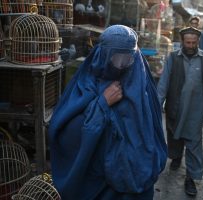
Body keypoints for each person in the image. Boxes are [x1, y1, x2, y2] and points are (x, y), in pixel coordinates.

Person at [48, 25, 167, 200]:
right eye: (115, 59)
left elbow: (152, 136)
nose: (121, 66)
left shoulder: (141, 84)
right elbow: (65, 131)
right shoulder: (85, 84)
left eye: (127, 59)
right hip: (95, 184)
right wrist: (101, 104)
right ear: (102, 55)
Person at [157, 26, 203, 197]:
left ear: (198, 42)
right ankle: (176, 156)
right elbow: (164, 82)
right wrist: (157, 103)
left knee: (193, 142)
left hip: (195, 110)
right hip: (175, 106)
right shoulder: (173, 58)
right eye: (188, 42)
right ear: (182, 42)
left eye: (194, 42)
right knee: (174, 134)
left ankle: (191, 178)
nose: (191, 46)